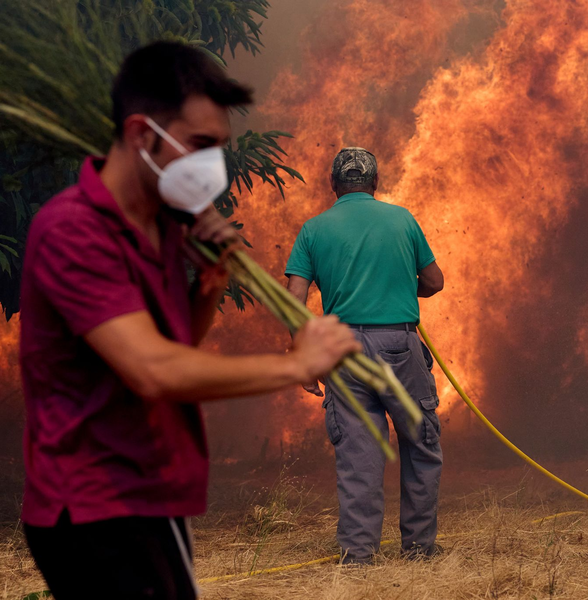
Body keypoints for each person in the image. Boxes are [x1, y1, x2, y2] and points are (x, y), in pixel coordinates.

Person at [19, 42, 360, 600]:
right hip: (95, 501)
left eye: (219, 148)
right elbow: (152, 370)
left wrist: (209, 287)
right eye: (199, 145)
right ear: (140, 134)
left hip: (149, 486)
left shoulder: (162, 227)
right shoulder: (74, 232)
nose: (211, 165)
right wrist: (295, 362)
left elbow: (174, 346)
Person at [285, 147, 445, 564]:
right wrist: (398, 288)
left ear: (334, 186)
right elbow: (433, 281)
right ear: (375, 184)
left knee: (359, 453)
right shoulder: (402, 219)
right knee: (420, 443)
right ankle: (419, 549)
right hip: (399, 344)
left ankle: (358, 556)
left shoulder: (314, 229)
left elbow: (294, 299)